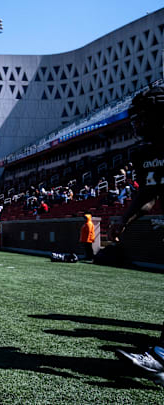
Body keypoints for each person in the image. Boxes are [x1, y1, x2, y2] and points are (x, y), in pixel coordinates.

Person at [110, 85, 164, 385]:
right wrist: (124, 218)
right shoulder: (147, 153)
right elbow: (149, 191)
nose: (138, 124)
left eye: (144, 117)